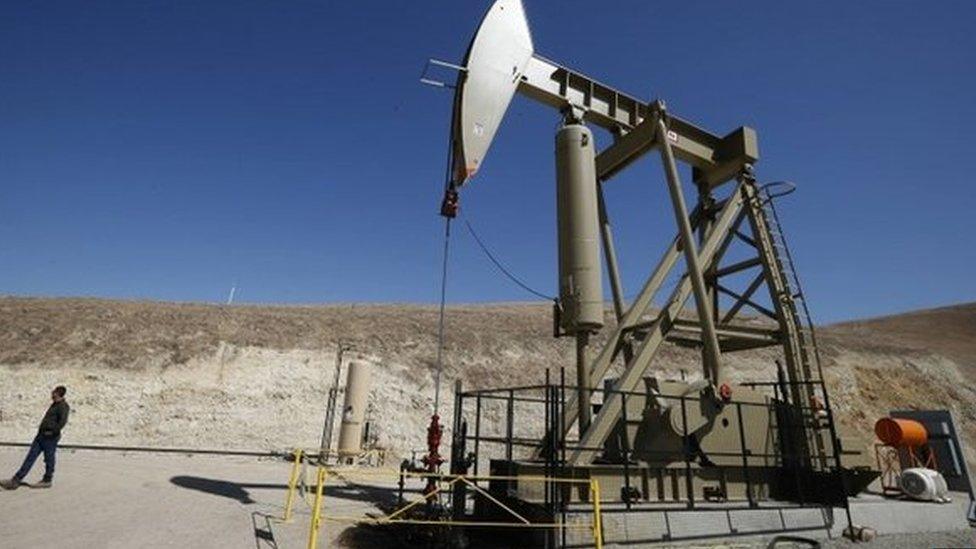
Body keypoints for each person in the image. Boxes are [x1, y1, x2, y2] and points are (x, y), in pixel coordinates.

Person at [1, 385, 70, 489]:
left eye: (54, 392)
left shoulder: (63, 406)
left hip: (50, 438)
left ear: (58, 394)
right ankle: (16, 480)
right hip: (40, 436)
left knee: (49, 459)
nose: (51, 394)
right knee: (30, 458)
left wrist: (51, 432)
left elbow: (62, 422)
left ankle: (47, 480)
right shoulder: (54, 404)